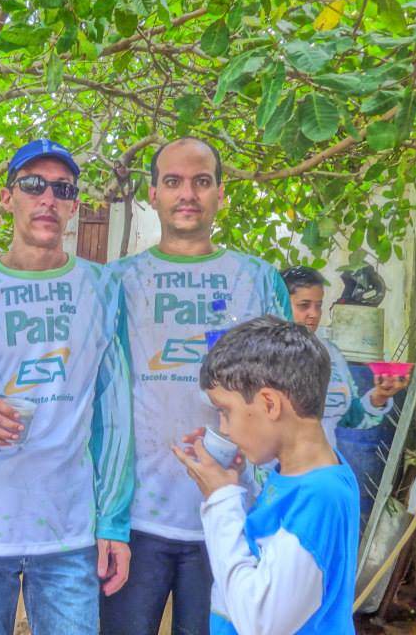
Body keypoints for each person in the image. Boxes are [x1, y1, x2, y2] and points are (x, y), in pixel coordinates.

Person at [0, 140, 134, 635]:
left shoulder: (103, 288)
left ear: (74, 205)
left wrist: (113, 522)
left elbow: (115, 414)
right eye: (33, 185)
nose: (48, 198)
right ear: (8, 199)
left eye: (62, 189)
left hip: (70, 534)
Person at [102, 137, 291, 635]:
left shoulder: (258, 280)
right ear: (152, 194)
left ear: (221, 193)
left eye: (201, 182)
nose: (187, 194)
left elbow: (289, 398)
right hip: (134, 518)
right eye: (173, 182)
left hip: (231, 513)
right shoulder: (116, 283)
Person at [174, 316, 360, 634]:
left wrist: (221, 501)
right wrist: (237, 478)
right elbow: (266, 546)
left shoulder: (320, 496)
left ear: (270, 404)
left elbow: (261, 622)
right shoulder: (298, 474)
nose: (224, 428)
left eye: (225, 411)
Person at [281, 266, 406, 447]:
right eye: (304, 305)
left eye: (318, 306)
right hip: (273, 465)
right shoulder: (258, 356)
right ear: (280, 303)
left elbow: (350, 416)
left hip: (323, 463)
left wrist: (379, 396)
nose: (314, 314)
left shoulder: (330, 354)